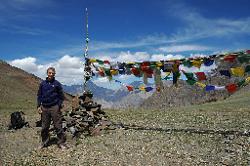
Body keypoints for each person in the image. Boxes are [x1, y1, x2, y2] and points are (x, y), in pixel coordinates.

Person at [37, 67, 68, 149]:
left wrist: (58, 105)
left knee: (58, 126)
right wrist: (38, 106)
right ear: (47, 73)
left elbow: (61, 96)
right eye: (49, 73)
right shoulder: (43, 84)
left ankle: (61, 143)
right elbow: (39, 95)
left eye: (52, 73)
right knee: (44, 126)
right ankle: (44, 142)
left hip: (54, 107)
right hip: (44, 107)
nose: (51, 74)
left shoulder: (57, 84)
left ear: (54, 74)